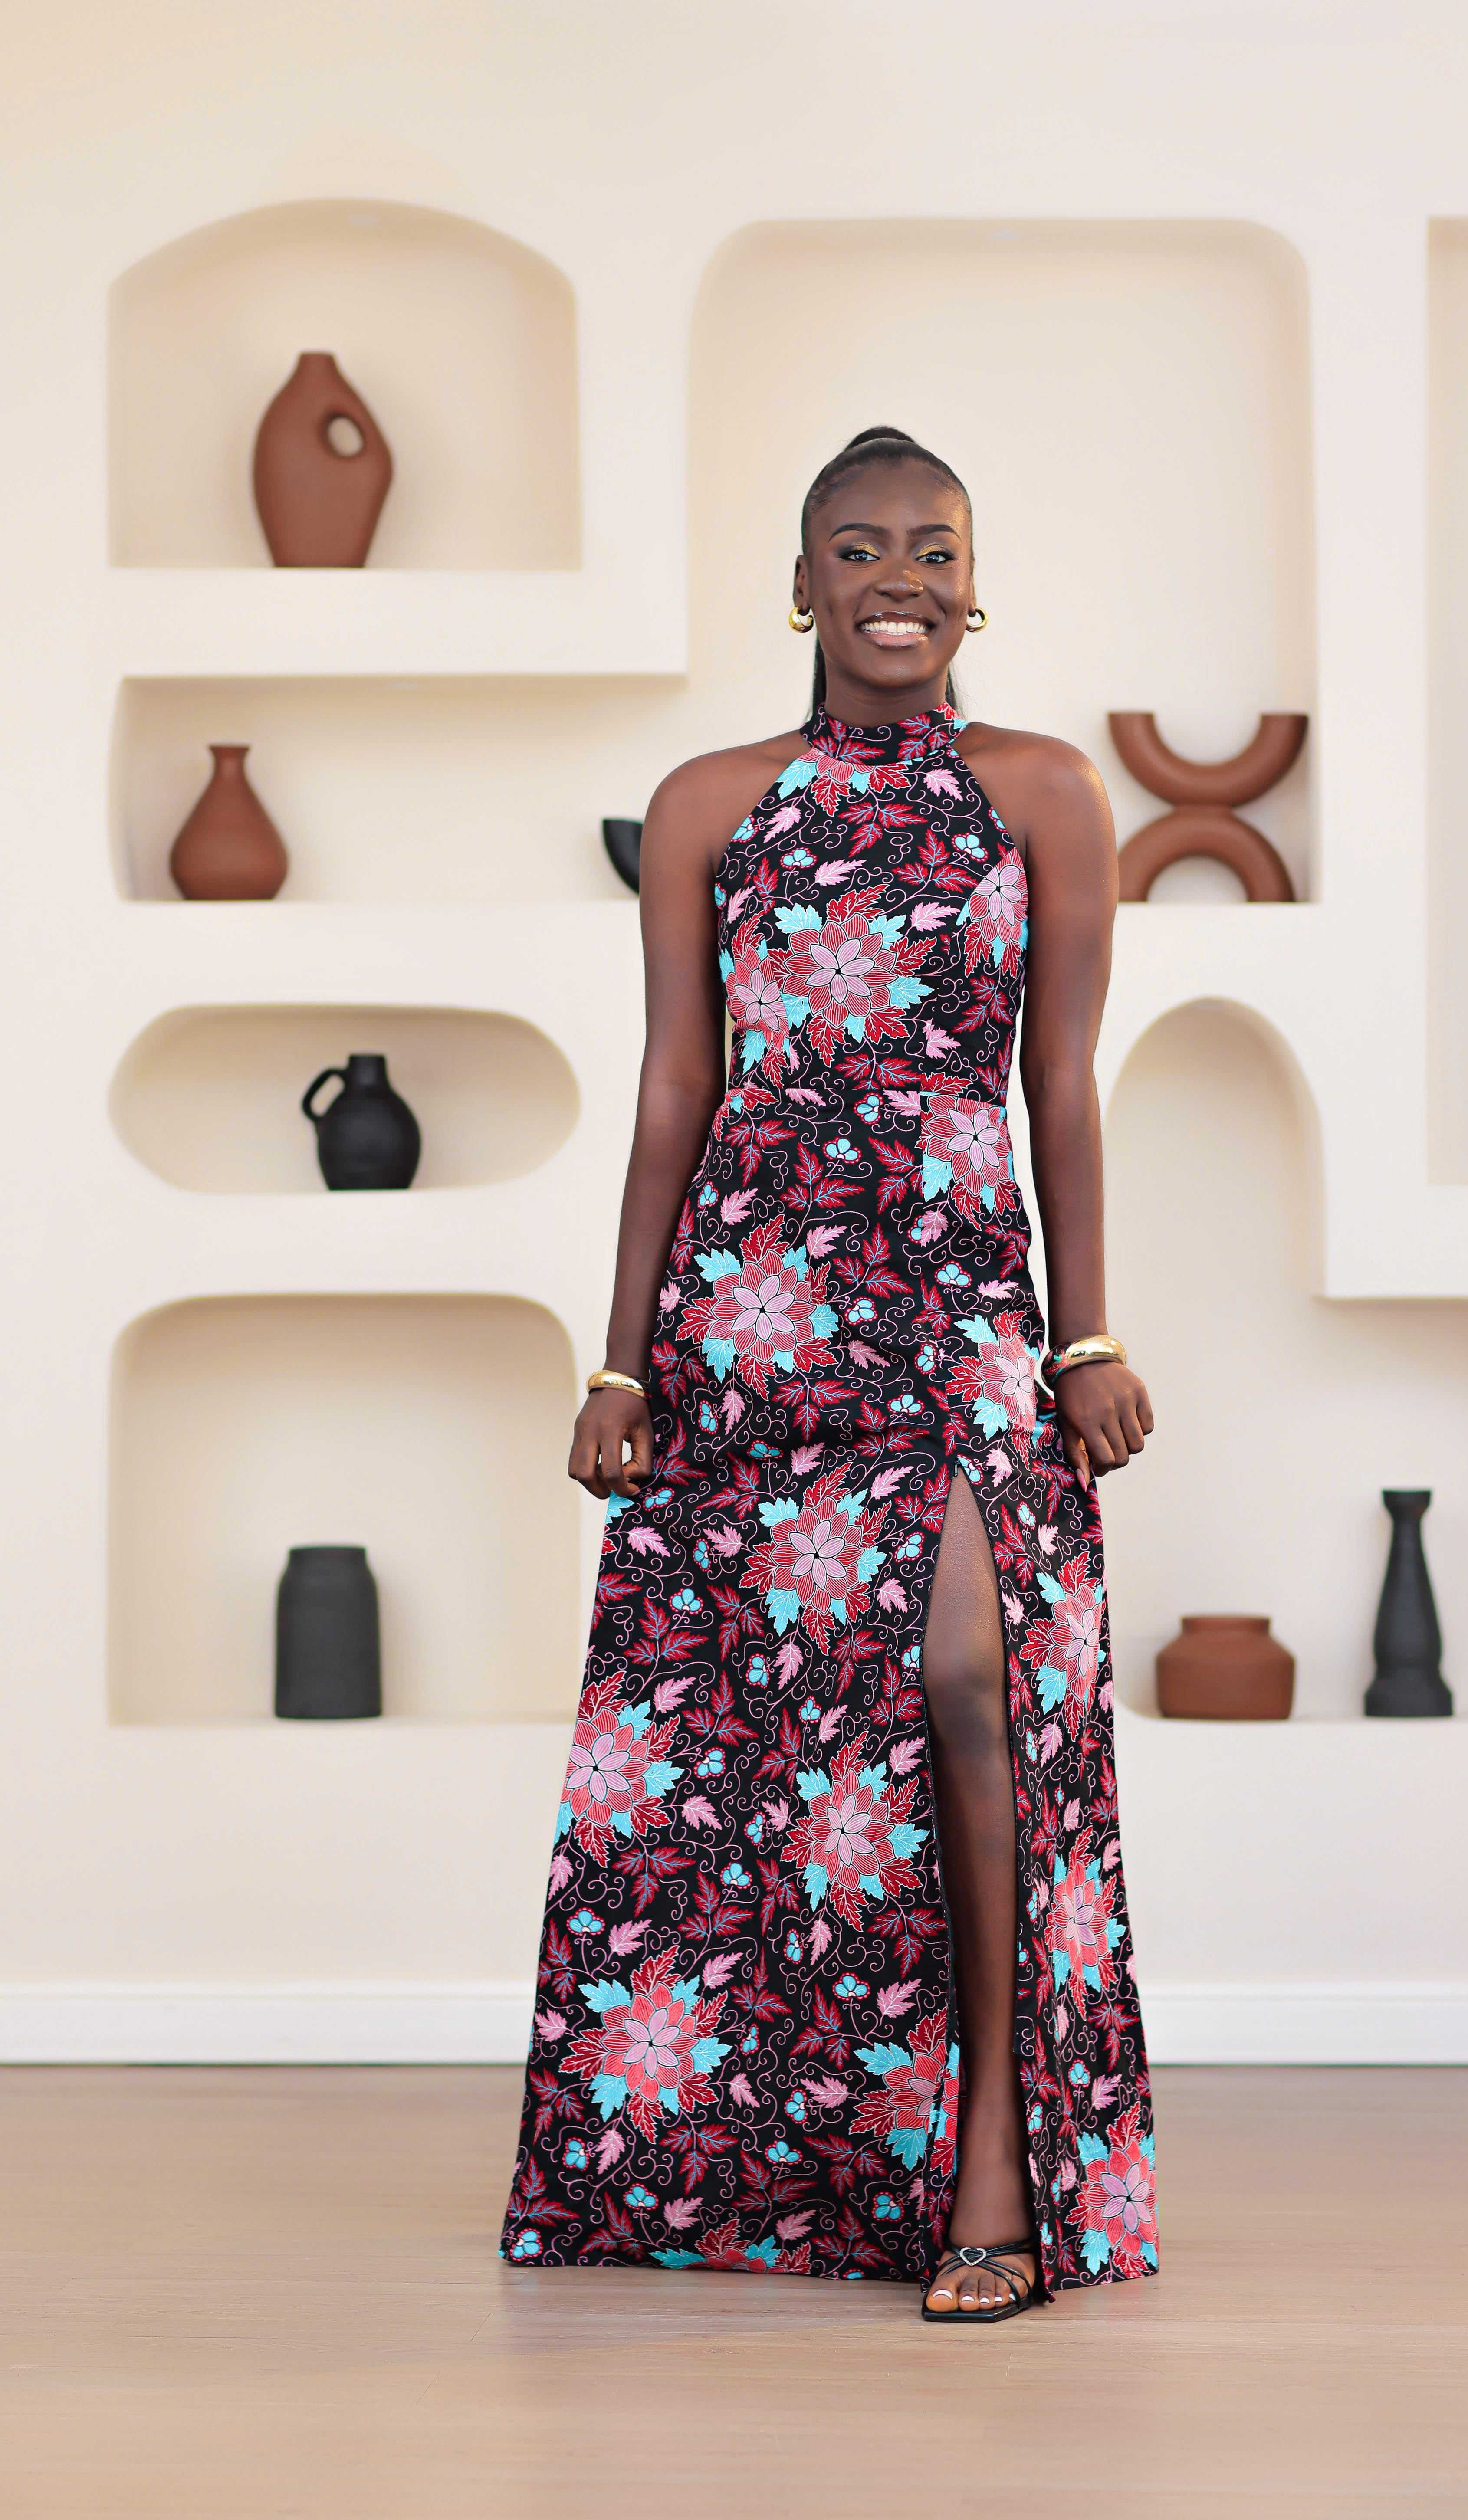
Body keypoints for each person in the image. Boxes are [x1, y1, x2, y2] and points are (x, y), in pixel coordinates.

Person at [502, 427, 1158, 2320]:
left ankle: (989, 2169)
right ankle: (803, 2164)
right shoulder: (714, 799)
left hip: (953, 1303)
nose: (897, 576)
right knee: (767, 1757)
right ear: (801, 586)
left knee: (968, 1674)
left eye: (931, 548)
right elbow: (670, 1089)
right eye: (856, 548)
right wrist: (620, 1360)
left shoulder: (1042, 789)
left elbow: (1058, 1085)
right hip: (749, 1318)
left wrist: (1084, 1334)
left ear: (973, 578)